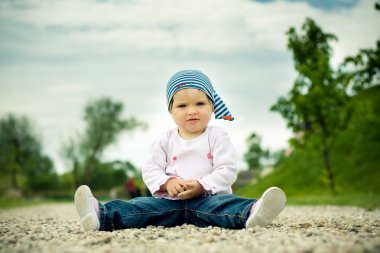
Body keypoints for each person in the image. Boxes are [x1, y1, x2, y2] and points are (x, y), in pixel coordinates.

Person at [74, 70, 286, 232]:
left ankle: (251, 212)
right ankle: (101, 215)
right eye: (182, 106)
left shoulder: (217, 136)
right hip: (169, 202)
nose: (192, 111)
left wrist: (202, 185)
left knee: (225, 206)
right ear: (171, 111)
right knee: (141, 207)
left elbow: (227, 170)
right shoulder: (165, 139)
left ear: (212, 107)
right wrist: (167, 183)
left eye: (200, 103)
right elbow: (150, 168)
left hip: (207, 200)